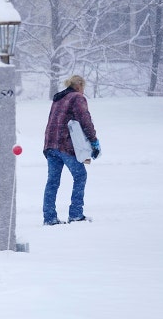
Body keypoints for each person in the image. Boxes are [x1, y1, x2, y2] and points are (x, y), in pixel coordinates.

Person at [42, 75, 101, 225]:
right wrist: (94, 142)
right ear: (79, 86)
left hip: (50, 145)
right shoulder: (77, 98)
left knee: (52, 182)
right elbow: (85, 120)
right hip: (64, 145)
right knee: (80, 176)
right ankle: (75, 214)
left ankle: (49, 218)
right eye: (83, 87)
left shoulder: (58, 98)